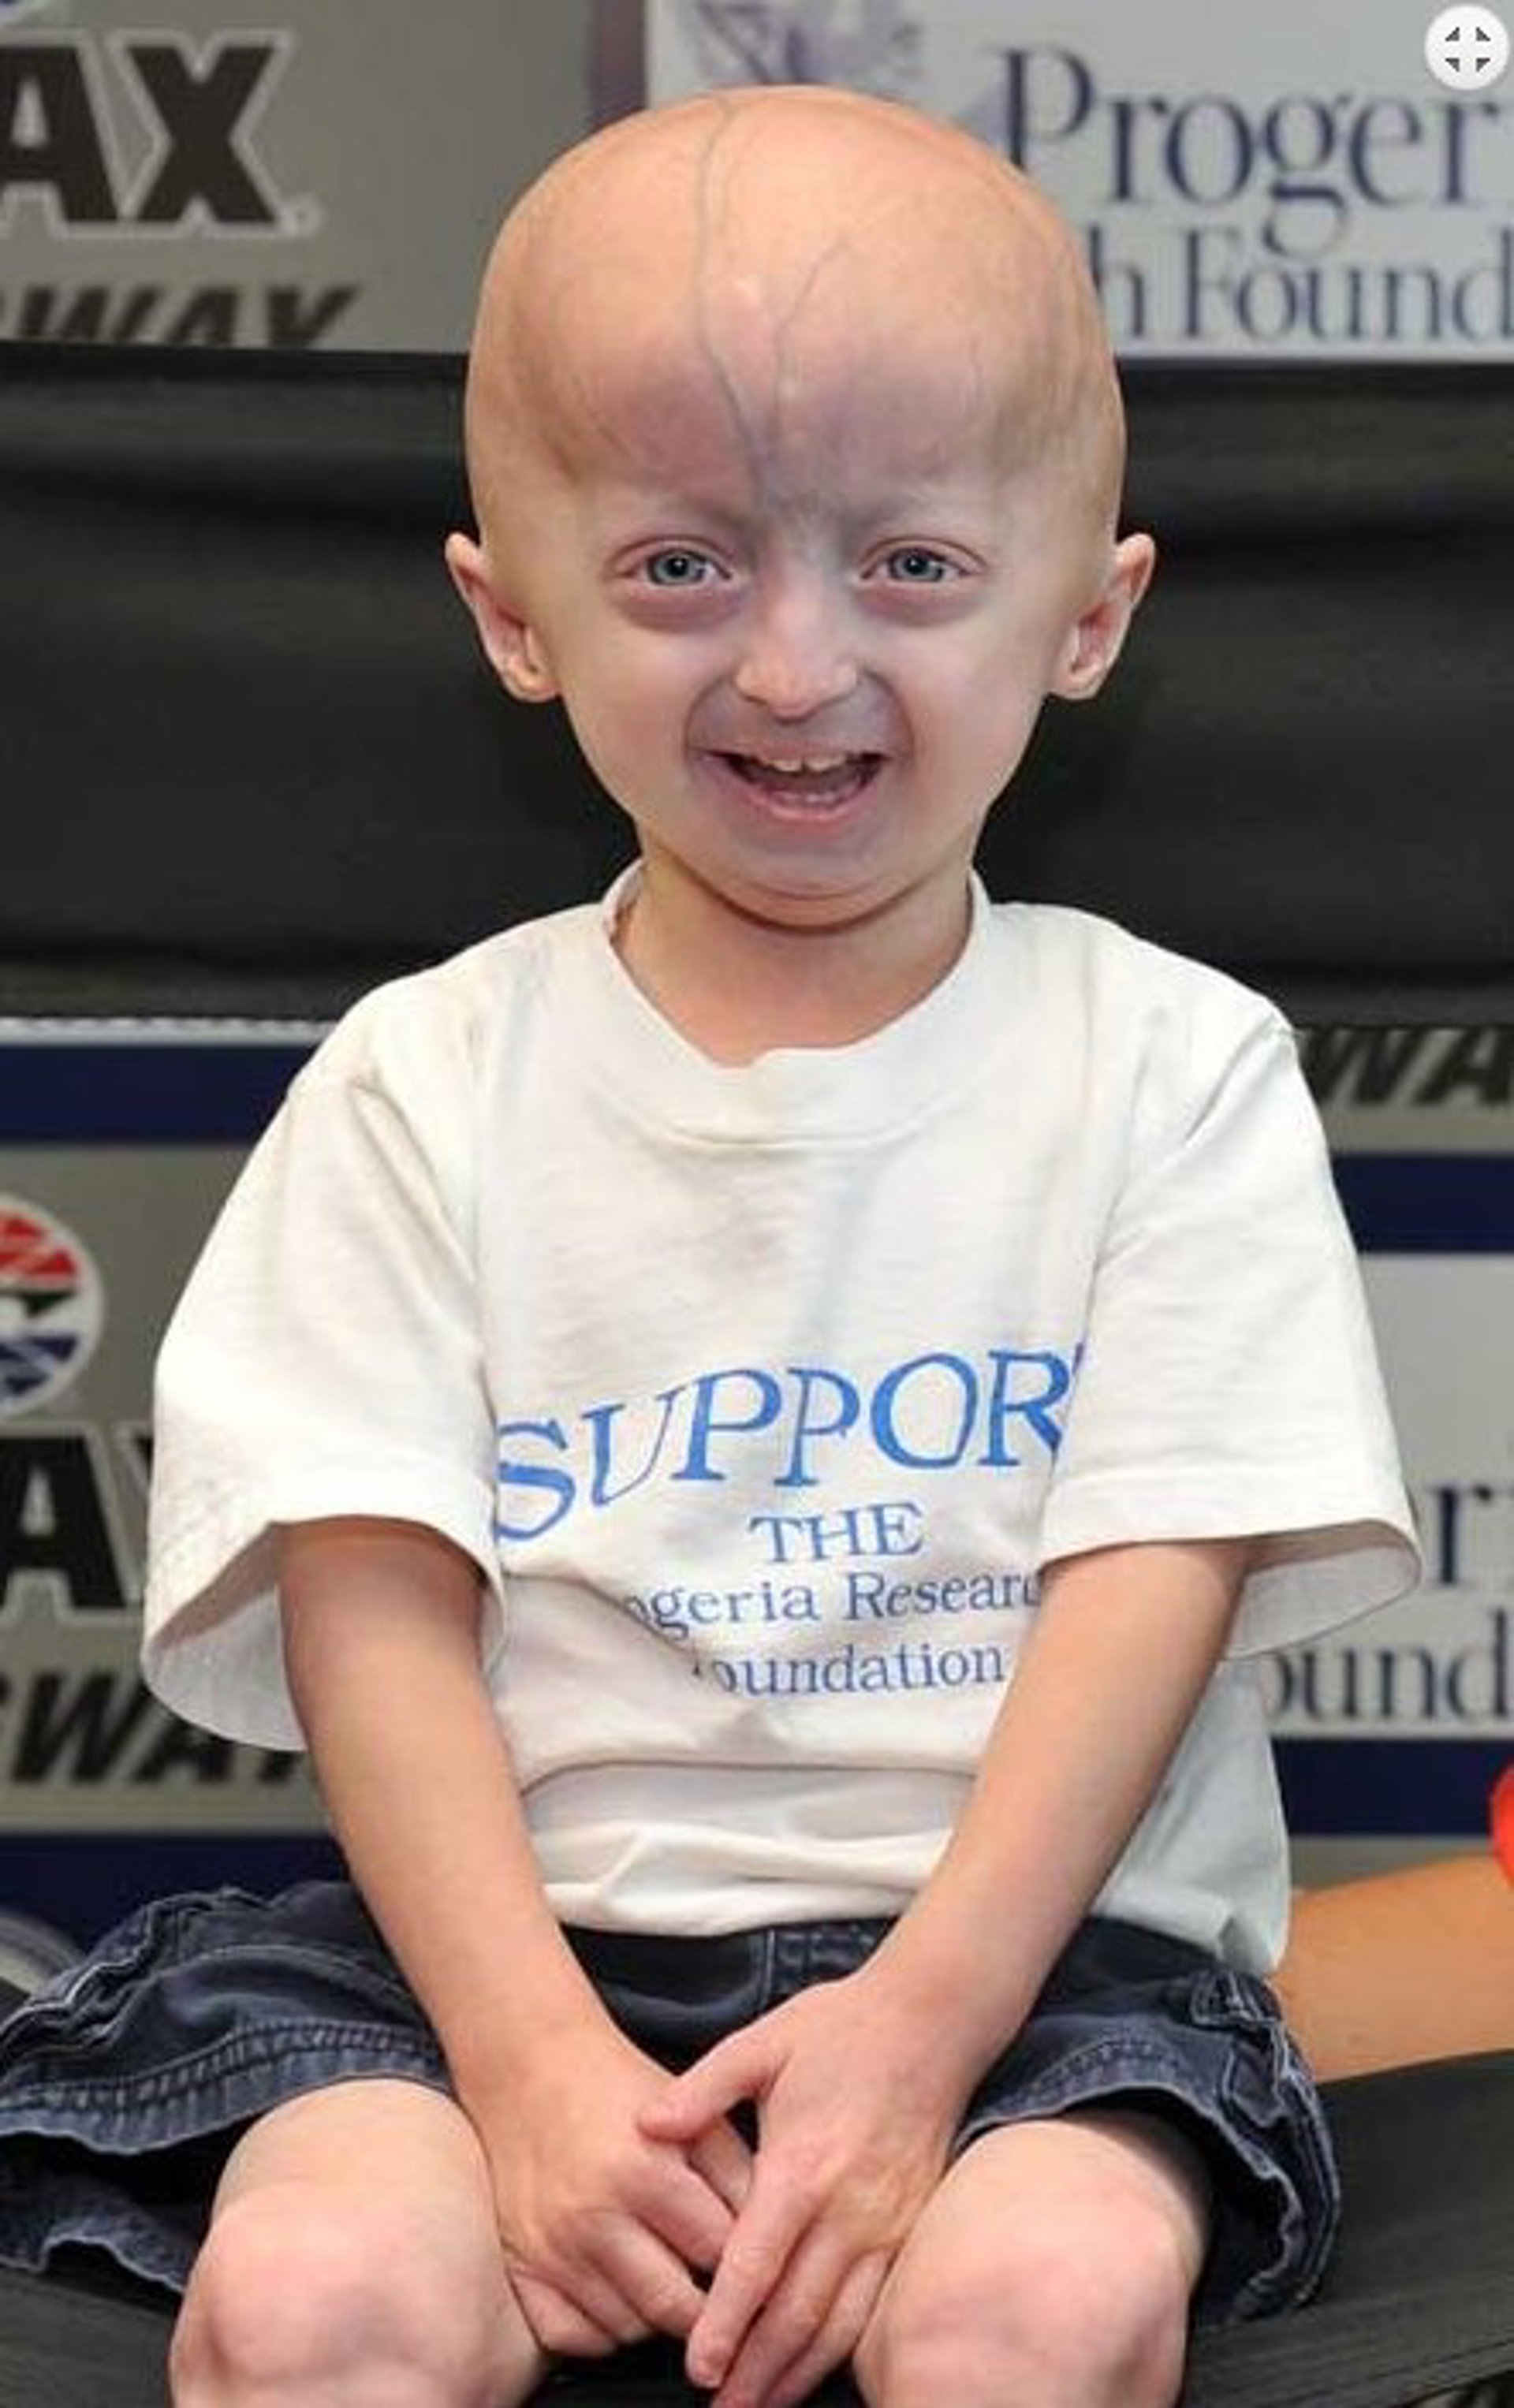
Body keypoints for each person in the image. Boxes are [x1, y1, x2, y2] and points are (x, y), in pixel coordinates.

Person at [0, 83, 1419, 2408]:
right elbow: (370, 1605)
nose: (791, 666)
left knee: (1036, 2309)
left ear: (1088, 613)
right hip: (487, 1975)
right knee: (320, 2297)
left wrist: (918, 2038)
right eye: (680, 568)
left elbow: (1151, 1582)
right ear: (512, 613)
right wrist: (530, 2070)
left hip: (1032, 1985)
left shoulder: (1174, 1066)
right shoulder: (420, 1080)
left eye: (914, 566)